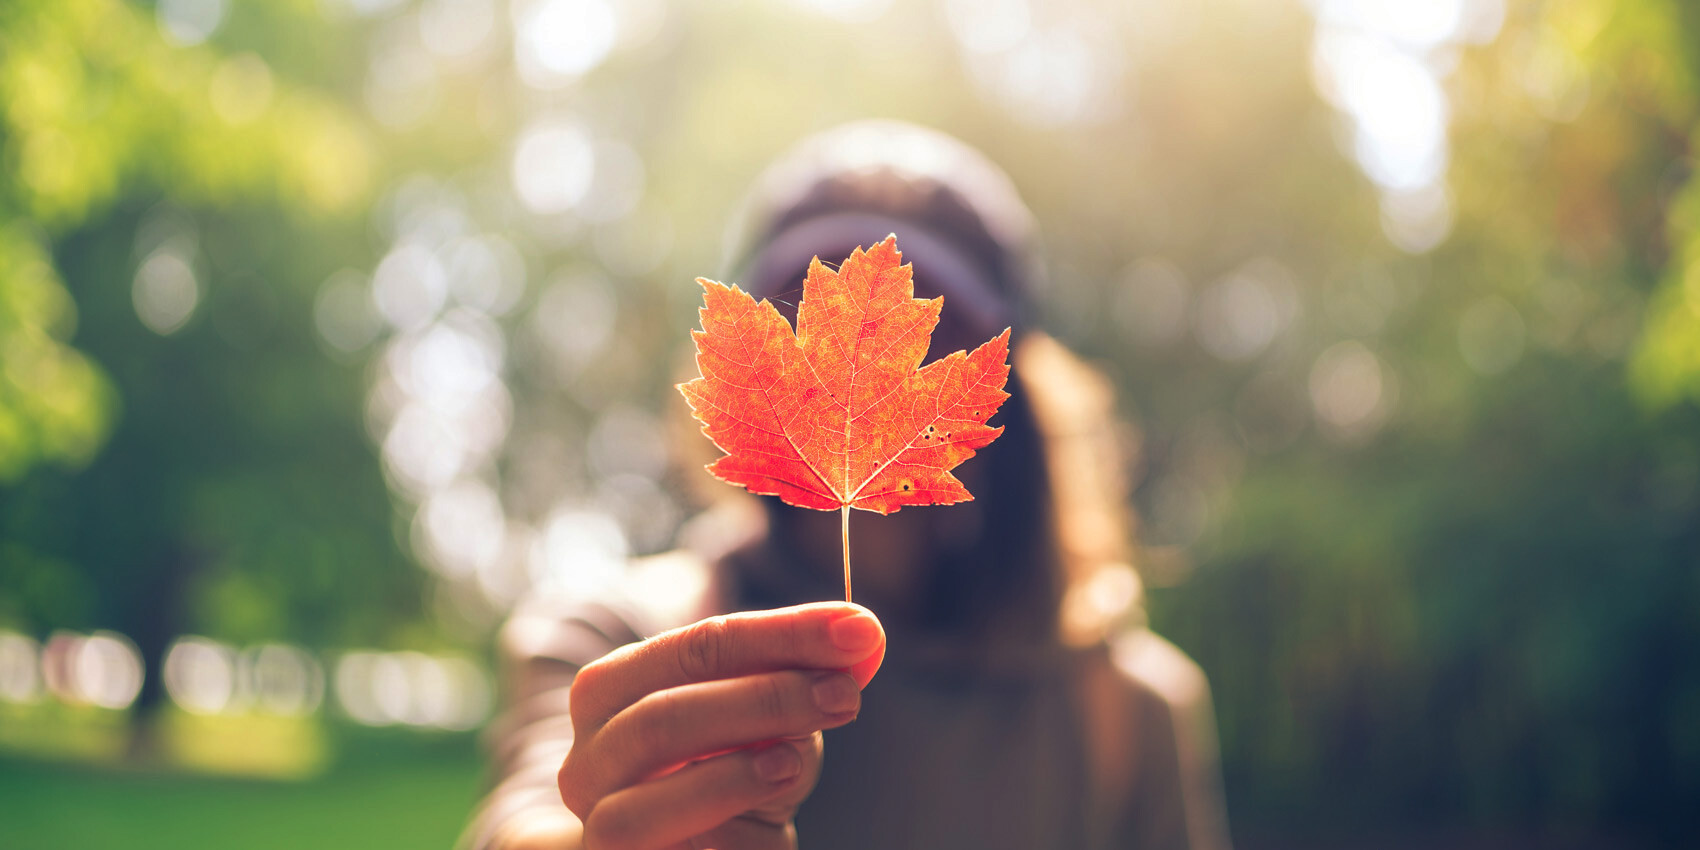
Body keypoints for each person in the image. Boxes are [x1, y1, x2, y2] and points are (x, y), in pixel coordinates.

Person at [463, 121, 1232, 850]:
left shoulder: (1126, 710)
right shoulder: (618, 638)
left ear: (1015, 389)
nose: (856, 380)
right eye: (800, 307)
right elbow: (531, 811)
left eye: (937, 325)